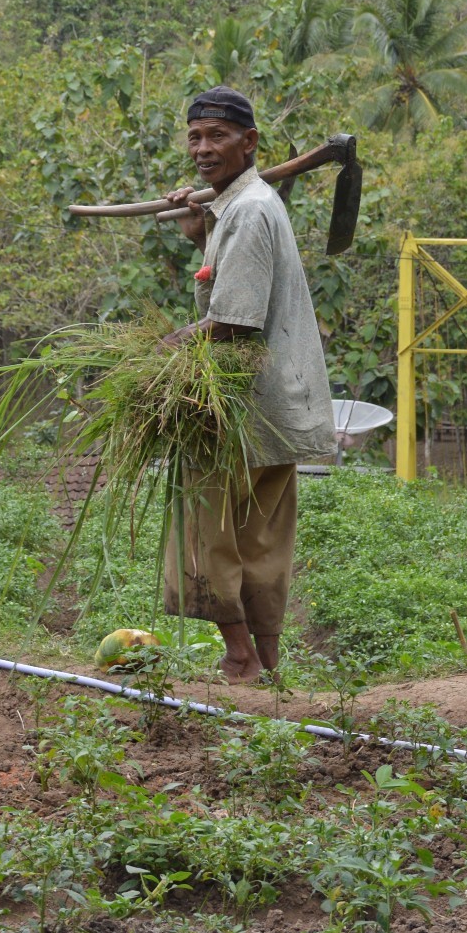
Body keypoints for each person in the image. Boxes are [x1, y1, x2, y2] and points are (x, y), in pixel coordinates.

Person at [160, 85, 335, 684]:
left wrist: (160, 351)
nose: (203, 149)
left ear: (250, 142)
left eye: (217, 136)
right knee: (261, 537)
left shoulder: (251, 209)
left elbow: (232, 320)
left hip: (238, 407)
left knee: (204, 531)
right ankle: (266, 665)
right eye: (195, 137)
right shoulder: (244, 206)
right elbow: (231, 274)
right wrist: (198, 229)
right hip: (277, 406)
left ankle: (239, 657)